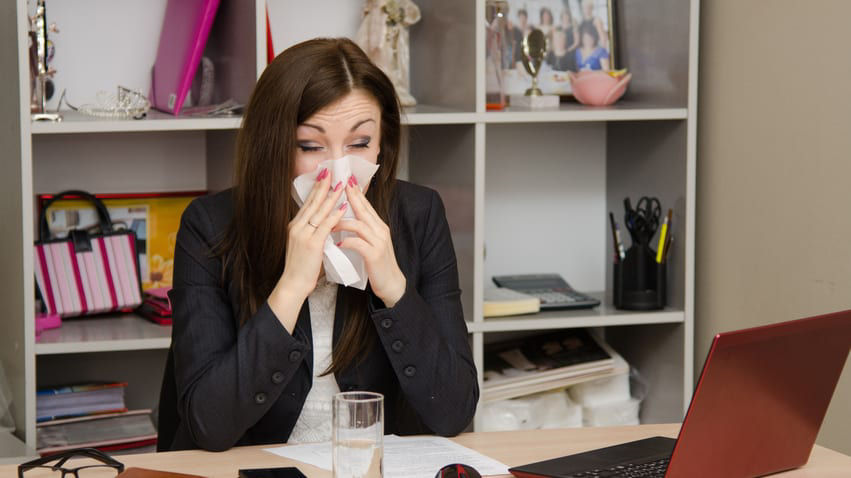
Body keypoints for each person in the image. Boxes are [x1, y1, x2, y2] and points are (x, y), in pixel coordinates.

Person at [158, 37, 478, 452]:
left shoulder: (418, 215)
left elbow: (454, 411)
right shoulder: (210, 226)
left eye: (360, 144)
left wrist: (394, 288)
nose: (339, 171)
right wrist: (291, 287)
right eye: (311, 146)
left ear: (383, 144)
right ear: (273, 148)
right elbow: (209, 425)